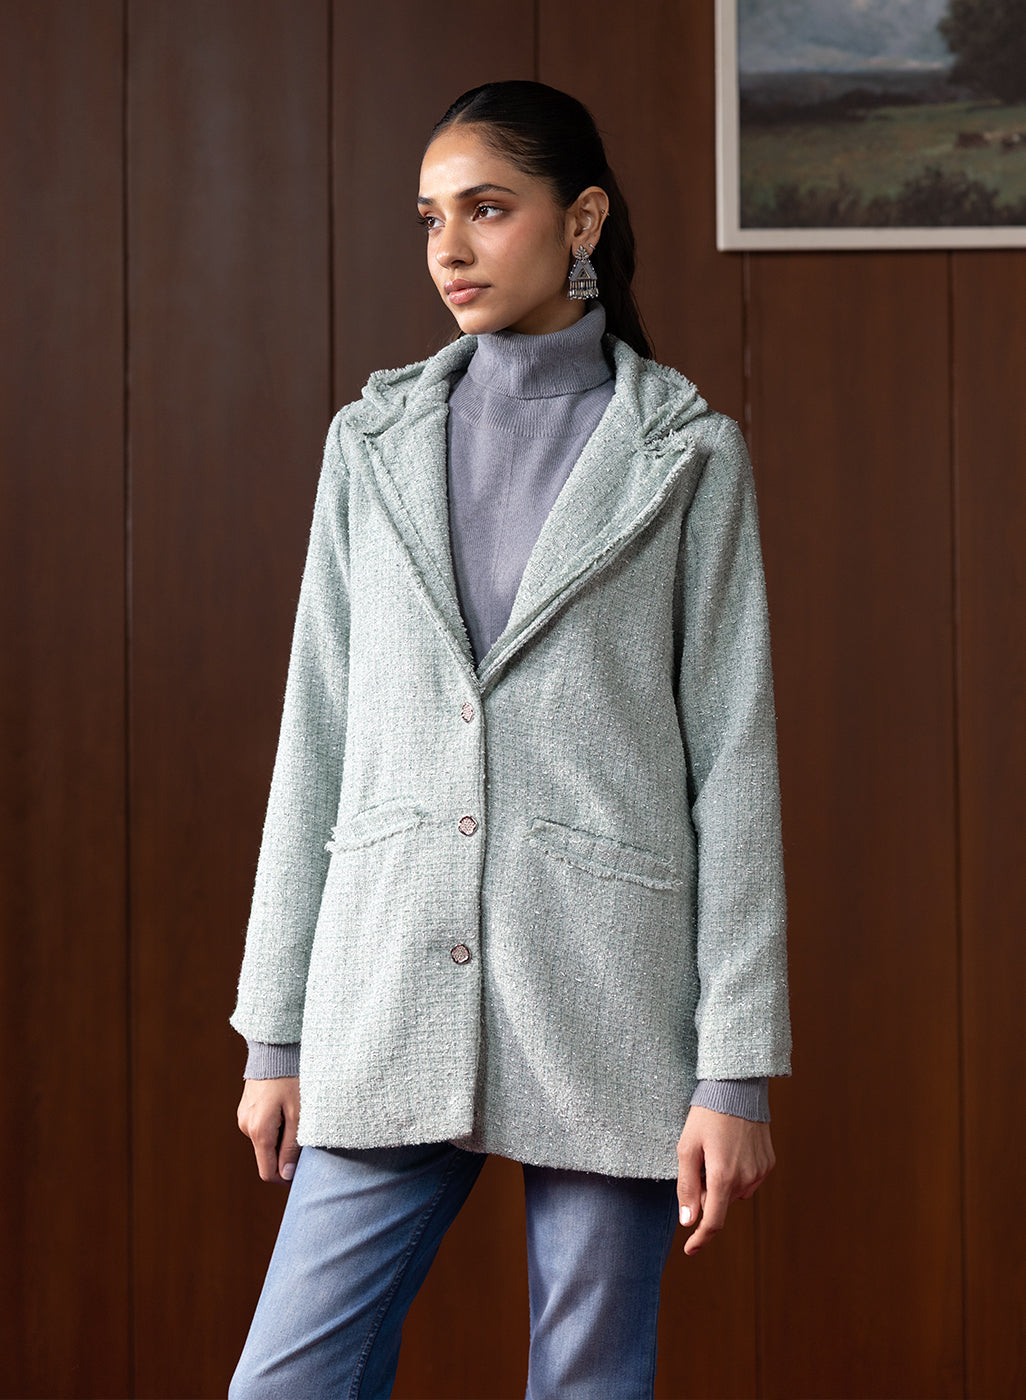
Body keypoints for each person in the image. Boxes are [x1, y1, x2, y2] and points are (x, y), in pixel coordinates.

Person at [228, 80, 790, 1400]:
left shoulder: (686, 455)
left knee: (590, 1382)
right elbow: (315, 735)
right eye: (431, 218)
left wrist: (736, 1073)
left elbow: (734, 765)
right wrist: (276, 1033)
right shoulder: (369, 445)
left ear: (580, 220)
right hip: (384, 987)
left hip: (606, 994)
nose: (450, 249)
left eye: (487, 209)